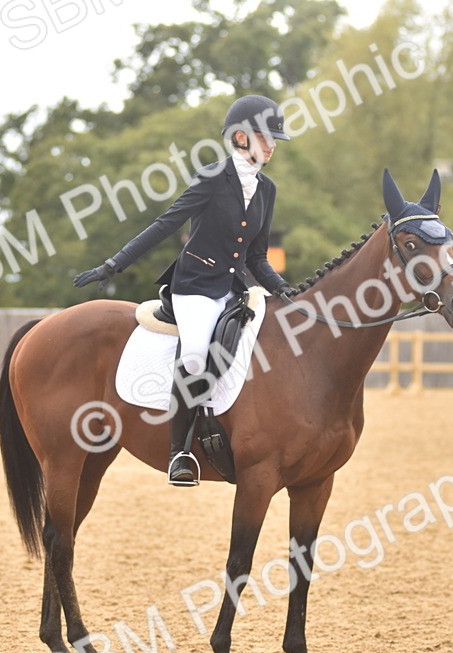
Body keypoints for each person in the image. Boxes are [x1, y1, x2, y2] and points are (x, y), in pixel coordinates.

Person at [73, 94, 294, 487]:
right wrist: (113, 264)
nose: (272, 145)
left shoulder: (267, 189)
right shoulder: (213, 178)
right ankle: (180, 453)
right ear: (241, 138)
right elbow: (166, 223)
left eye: (274, 139)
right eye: (265, 137)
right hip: (194, 286)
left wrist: (287, 291)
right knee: (193, 357)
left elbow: (258, 258)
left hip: (233, 290)